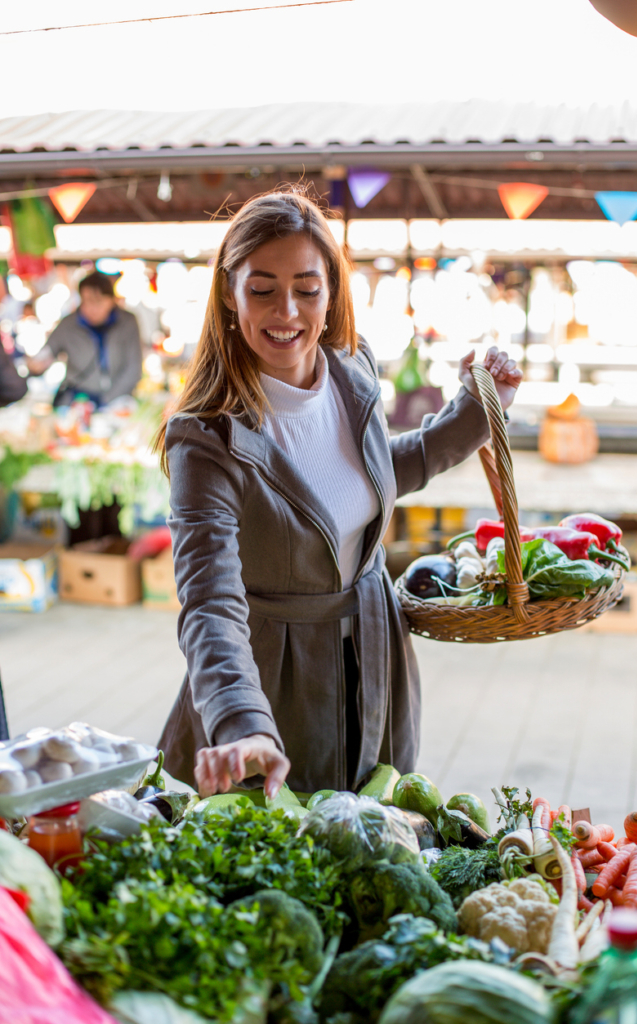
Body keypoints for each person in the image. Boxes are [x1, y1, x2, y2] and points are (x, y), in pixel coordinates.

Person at [155, 188, 522, 800]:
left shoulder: (353, 371)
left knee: (375, 831)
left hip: (375, 660)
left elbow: (376, 475)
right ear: (228, 292)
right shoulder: (206, 438)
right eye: (262, 288)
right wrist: (242, 723)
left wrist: (476, 414)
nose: (287, 311)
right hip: (274, 682)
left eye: (307, 287)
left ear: (331, 291)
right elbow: (210, 604)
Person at [26, 271, 142, 407]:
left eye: (98, 301)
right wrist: (36, 366)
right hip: (78, 399)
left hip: (117, 401)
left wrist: (107, 400)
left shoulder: (127, 322)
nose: (92, 308)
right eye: (87, 301)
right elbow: (47, 352)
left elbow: (133, 368)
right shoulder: (68, 324)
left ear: (111, 300)